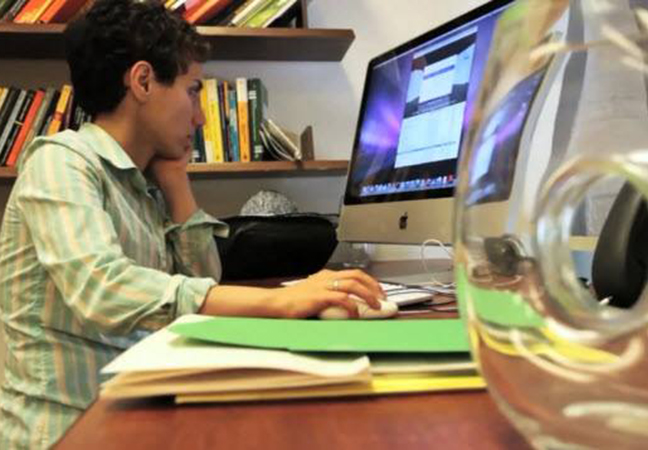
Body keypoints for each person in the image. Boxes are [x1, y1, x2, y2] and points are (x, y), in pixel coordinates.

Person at [0, 1, 384, 448]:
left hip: (132, 413)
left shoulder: (141, 184)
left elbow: (202, 284)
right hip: (67, 432)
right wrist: (282, 304)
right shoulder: (60, 162)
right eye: (193, 90)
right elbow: (103, 289)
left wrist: (177, 181)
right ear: (143, 81)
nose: (200, 117)